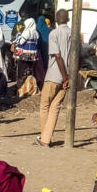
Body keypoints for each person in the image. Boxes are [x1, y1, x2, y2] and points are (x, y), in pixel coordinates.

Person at [37, 9, 72, 148]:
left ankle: (45, 138)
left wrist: (64, 77)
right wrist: (68, 77)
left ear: (56, 20)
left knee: (45, 105)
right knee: (55, 107)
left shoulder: (54, 33)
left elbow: (57, 56)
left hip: (54, 75)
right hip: (68, 75)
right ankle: (46, 139)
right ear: (68, 19)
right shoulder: (73, 34)